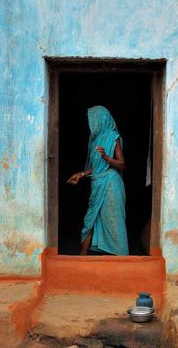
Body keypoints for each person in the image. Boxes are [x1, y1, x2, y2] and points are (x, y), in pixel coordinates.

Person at [67, 105, 129, 255]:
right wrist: (81, 174)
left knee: (114, 222)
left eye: (93, 120)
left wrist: (106, 157)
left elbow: (122, 164)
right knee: (90, 220)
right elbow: (96, 167)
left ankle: (122, 258)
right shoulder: (93, 140)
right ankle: (81, 257)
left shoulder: (112, 137)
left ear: (101, 120)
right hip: (98, 183)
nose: (90, 123)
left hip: (111, 184)